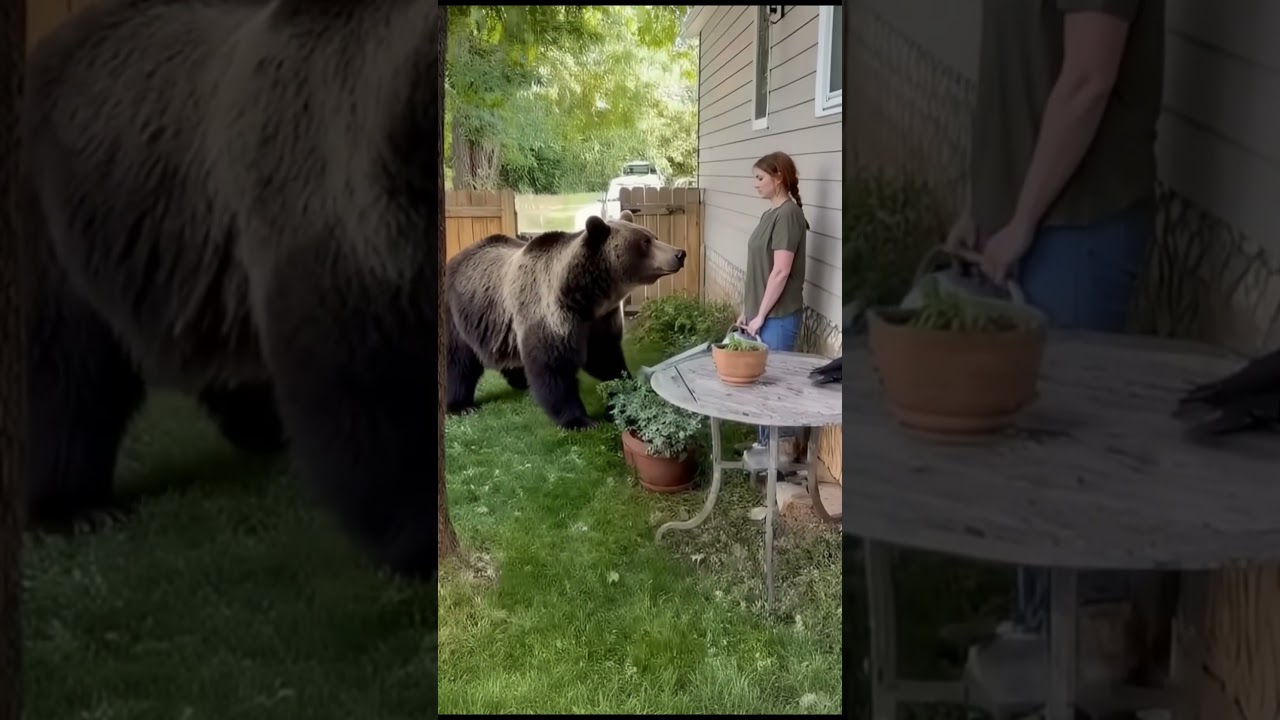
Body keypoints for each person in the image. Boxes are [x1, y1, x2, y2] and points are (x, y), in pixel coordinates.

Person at [946, 0, 1168, 705]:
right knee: (1027, 443)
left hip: (1078, 227)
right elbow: (1019, 76)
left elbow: (1088, 78)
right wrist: (981, 203)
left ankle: (1092, 656)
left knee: (1070, 453)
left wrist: (1021, 221)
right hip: (1024, 221)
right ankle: (1039, 627)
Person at [739, 151, 809, 461]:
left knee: (775, 388)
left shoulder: (789, 216)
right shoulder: (769, 215)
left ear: (778, 177)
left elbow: (780, 272)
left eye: (760, 178)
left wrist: (761, 315)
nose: (755, 184)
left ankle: (780, 459)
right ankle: (765, 447)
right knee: (761, 385)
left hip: (778, 318)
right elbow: (758, 269)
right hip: (760, 315)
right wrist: (748, 311)